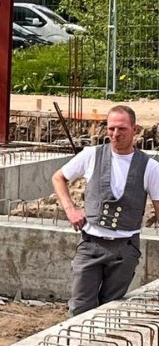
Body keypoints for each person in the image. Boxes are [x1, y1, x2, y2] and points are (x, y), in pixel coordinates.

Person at [52, 105, 159, 316]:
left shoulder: (150, 167)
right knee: (80, 307)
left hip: (125, 249)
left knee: (109, 310)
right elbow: (59, 178)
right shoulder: (92, 155)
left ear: (135, 129)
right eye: (111, 128)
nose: (115, 134)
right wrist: (70, 210)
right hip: (91, 244)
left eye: (122, 129)